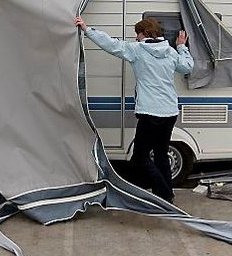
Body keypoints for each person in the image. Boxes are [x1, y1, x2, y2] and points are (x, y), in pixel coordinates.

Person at [75, 15, 194, 202]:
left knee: (141, 156)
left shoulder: (137, 50)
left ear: (143, 33)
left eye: (137, 34)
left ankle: (164, 193)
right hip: (170, 111)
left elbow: (111, 44)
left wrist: (87, 30)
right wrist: (181, 47)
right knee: (161, 154)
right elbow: (187, 67)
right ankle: (165, 194)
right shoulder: (170, 52)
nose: (136, 38)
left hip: (150, 112)